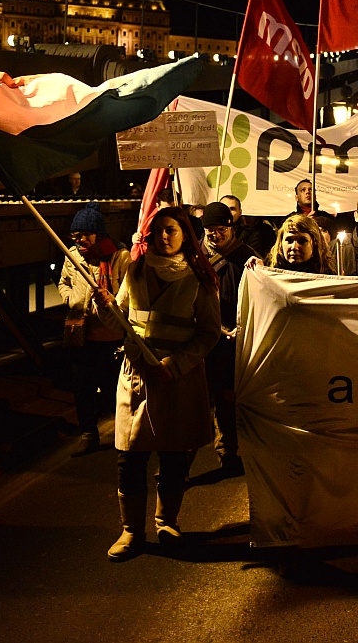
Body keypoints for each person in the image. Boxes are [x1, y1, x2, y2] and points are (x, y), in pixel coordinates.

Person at [95, 207, 221, 562]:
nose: (164, 237)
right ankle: (131, 530)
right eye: (159, 231)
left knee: (174, 455)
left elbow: (209, 333)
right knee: (130, 456)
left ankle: (167, 522)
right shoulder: (136, 270)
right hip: (136, 378)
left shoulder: (200, 278)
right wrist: (104, 305)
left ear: (185, 236)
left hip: (177, 380)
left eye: (172, 230)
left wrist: (177, 363)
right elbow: (119, 321)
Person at [57, 202, 131, 455]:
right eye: (75, 236)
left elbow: (128, 293)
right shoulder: (73, 255)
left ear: (97, 233)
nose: (78, 241)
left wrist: (111, 301)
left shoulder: (119, 256)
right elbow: (63, 283)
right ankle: (88, 434)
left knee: (113, 388)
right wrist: (71, 299)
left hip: (110, 337)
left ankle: (124, 435)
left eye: (83, 235)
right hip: (79, 333)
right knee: (82, 387)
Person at [201, 202, 259, 476]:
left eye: (220, 229)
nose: (215, 235)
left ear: (231, 228)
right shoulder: (195, 256)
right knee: (200, 400)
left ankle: (229, 453)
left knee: (227, 399)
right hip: (203, 338)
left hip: (234, 340)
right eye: (210, 230)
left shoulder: (246, 257)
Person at [267, 214, 333, 273]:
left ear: (315, 243)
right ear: (281, 243)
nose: (294, 247)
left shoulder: (328, 279)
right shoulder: (270, 275)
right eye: (289, 241)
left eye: (302, 241)